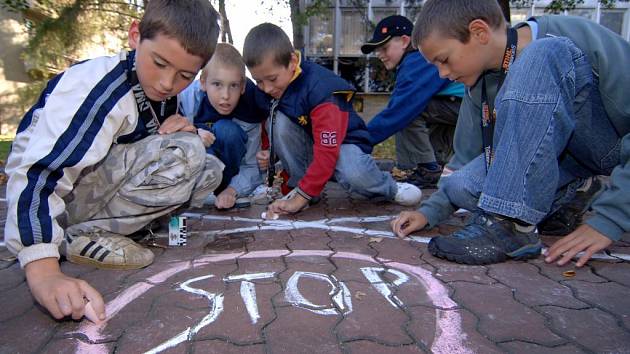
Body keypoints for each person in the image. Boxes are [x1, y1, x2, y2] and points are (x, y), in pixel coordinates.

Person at [4, 0, 222, 322]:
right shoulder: (98, 86)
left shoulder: (160, 92)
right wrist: (43, 271)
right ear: (135, 35)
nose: (167, 83)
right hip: (52, 200)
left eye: (184, 75)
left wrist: (182, 131)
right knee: (189, 153)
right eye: (159, 63)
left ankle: (93, 232)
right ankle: (73, 237)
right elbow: (39, 172)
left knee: (209, 168)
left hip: (89, 193)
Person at [391, 0, 629, 267]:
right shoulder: (478, 83)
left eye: (444, 60)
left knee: (543, 55)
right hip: (568, 164)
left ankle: (511, 226)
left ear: (479, 32)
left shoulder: (567, 36)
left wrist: (609, 219)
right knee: (460, 186)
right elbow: (462, 162)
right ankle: (573, 193)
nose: (443, 73)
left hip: (611, 147)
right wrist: (428, 212)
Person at [242, 23, 423, 217]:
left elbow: (327, 150)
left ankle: (390, 188)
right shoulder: (270, 88)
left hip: (344, 145)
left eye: (272, 79)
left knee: (353, 170)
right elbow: (265, 122)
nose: (267, 88)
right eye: (259, 81)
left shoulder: (322, 90)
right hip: (314, 146)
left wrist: (300, 197)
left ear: (293, 62)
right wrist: (270, 151)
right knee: (280, 119)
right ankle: (304, 188)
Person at [361, 15, 464, 188]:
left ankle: (427, 169)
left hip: (475, 109)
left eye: (384, 48)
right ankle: (437, 164)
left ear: (404, 41)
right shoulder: (418, 58)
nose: (380, 55)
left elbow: (397, 112)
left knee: (409, 112)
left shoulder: (417, 60)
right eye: (377, 51)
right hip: (467, 107)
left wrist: (358, 141)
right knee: (423, 107)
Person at [179, 43, 269, 209]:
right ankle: (197, 192)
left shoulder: (251, 108)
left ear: (242, 87)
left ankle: (225, 191)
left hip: (230, 177)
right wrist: (193, 133)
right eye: (217, 85)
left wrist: (232, 190)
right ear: (203, 83)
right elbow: (165, 139)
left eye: (233, 86)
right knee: (194, 136)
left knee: (226, 130)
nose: (226, 96)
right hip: (194, 174)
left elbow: (251, 165)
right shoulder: (185, 98)